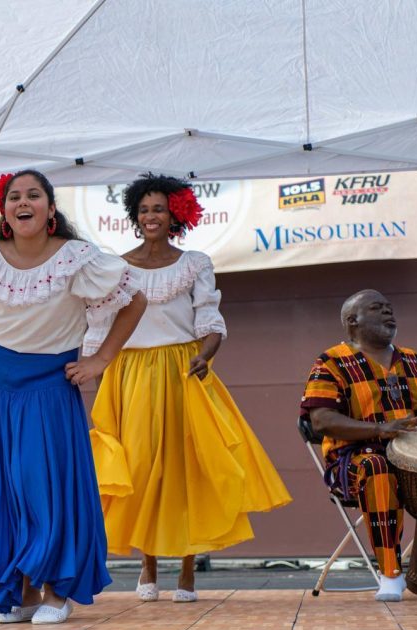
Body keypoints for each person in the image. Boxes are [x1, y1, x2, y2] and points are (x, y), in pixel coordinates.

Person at [0, 169, 148, 625]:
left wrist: (100, 360)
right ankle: (23, 593)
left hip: (50, 387)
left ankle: (56, 593)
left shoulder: (75, 257)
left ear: (51, 209)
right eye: (15, 197)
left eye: (34, 195)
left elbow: (134, 300)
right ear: (5, 210)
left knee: (44, 489)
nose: (23, 202)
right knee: (7, 490)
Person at [88, 174, 291, 603]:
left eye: (158, 208)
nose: (150, 216)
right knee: (140, 469)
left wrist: (206, 354)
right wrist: (93, 367)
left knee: (185, 469)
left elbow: (210, 321)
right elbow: (101, 326)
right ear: (134, 215)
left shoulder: (194, 262)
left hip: (185, 369)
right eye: (143, 209)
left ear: (175, 213)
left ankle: (186, 572)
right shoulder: (117, 266)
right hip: (130, 374)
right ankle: (147, 566)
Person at [301, 288, 417, 601]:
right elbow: (321, 420)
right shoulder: (331, 362)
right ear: (353, 321)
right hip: (356, 458)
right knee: (377, 467)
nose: (388, 312)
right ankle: (391, 573)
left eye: (390, 307)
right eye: (377, 308)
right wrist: (379, 429)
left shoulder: (414, 359)